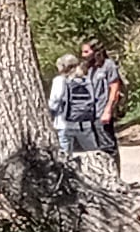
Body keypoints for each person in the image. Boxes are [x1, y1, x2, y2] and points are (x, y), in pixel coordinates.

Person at [48, 35, 123, 170]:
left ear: (96, 51)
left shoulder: (108, 65)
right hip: (90, 115)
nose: (83, 55)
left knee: (108, 146)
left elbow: (115, 88)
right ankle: (104, 175)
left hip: (103, 111)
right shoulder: (88, 68)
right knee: (98, 149)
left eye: (86, 52)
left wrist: (108, 110)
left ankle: (116, 176)